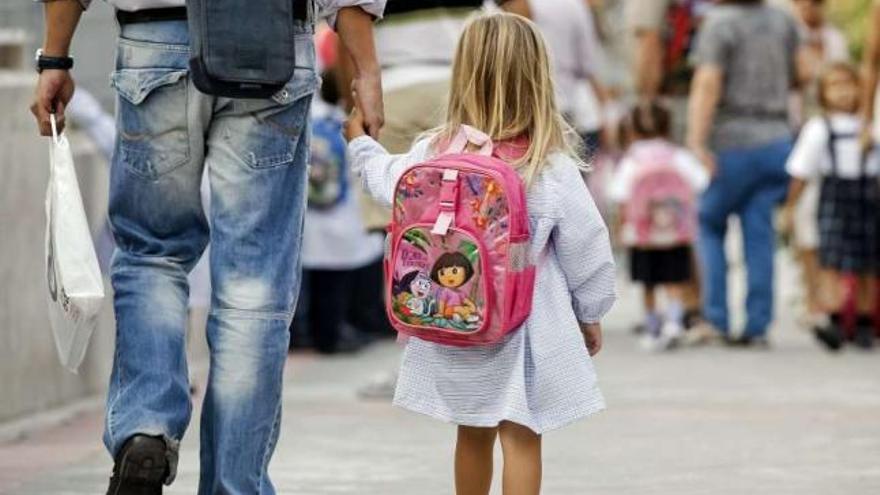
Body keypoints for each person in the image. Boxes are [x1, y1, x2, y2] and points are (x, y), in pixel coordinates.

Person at [30, 0, 385, 493]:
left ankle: (145, 426)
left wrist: (55, 58)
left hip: (156, 43)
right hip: (273, 47)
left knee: (152, 253)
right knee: (254, 286)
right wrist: (366, 72)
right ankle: (235, 482)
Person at [345, 13, 616, 495]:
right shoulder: (547, 162)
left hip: (456, 321)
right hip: (523, 326)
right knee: (521, 436)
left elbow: (388, 183)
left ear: (463, 73)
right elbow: (587, 245)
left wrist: (361, 145)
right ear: (539, 78)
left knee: (470, 434)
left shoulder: (435, 149)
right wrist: (590, 311)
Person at [687, 0, 805, 347]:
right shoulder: (784, 20)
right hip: (777, 137)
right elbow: (804, 73)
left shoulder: (719, 23)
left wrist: (696, 139)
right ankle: (758, 323)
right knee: (759, 228)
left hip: (733, 139)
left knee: (708, 221)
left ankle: (716, 316)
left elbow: (708, 82)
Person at [782, 63, 879, 351]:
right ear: (823, 93)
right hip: (835, 196)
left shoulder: (870, 128)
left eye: (848, 85)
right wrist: (790, 207)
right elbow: (801, 172)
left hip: (868, 197)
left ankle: (864, 320)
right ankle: (834, 316)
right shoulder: (818, 129)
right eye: (835, 86)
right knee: (831, 261)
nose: (843, 93)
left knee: (868, 264)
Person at [609, 102, 709, 350]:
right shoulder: (677, 155)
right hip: (676, 233)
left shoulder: (632, 160)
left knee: (648, 283)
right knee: (675, 279)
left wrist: (623, 228)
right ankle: (674, 322)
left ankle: (653, 327)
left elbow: (620, 195)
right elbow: (700, 181)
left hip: (643, 235)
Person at [789, 0, 850, 326]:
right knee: (803, 221)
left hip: (835, 137)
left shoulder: (835, 39)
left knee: (822, 225)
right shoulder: (788, 33)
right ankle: (811, 293)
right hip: (800, 131)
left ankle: (828, 297)